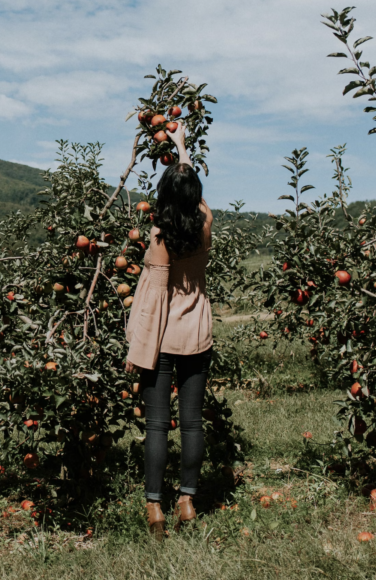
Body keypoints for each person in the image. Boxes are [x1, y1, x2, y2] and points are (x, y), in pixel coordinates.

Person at [124, 122, 213, 540]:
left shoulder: (159, 237)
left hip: (161, 340)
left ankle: (154, 507)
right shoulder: (205, 223)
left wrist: (137, 349)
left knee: (157, 425)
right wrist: (182, 149)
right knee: (192, 423)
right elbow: (188, 190)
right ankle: (187, 499)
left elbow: (152, 302)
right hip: (197, 334)